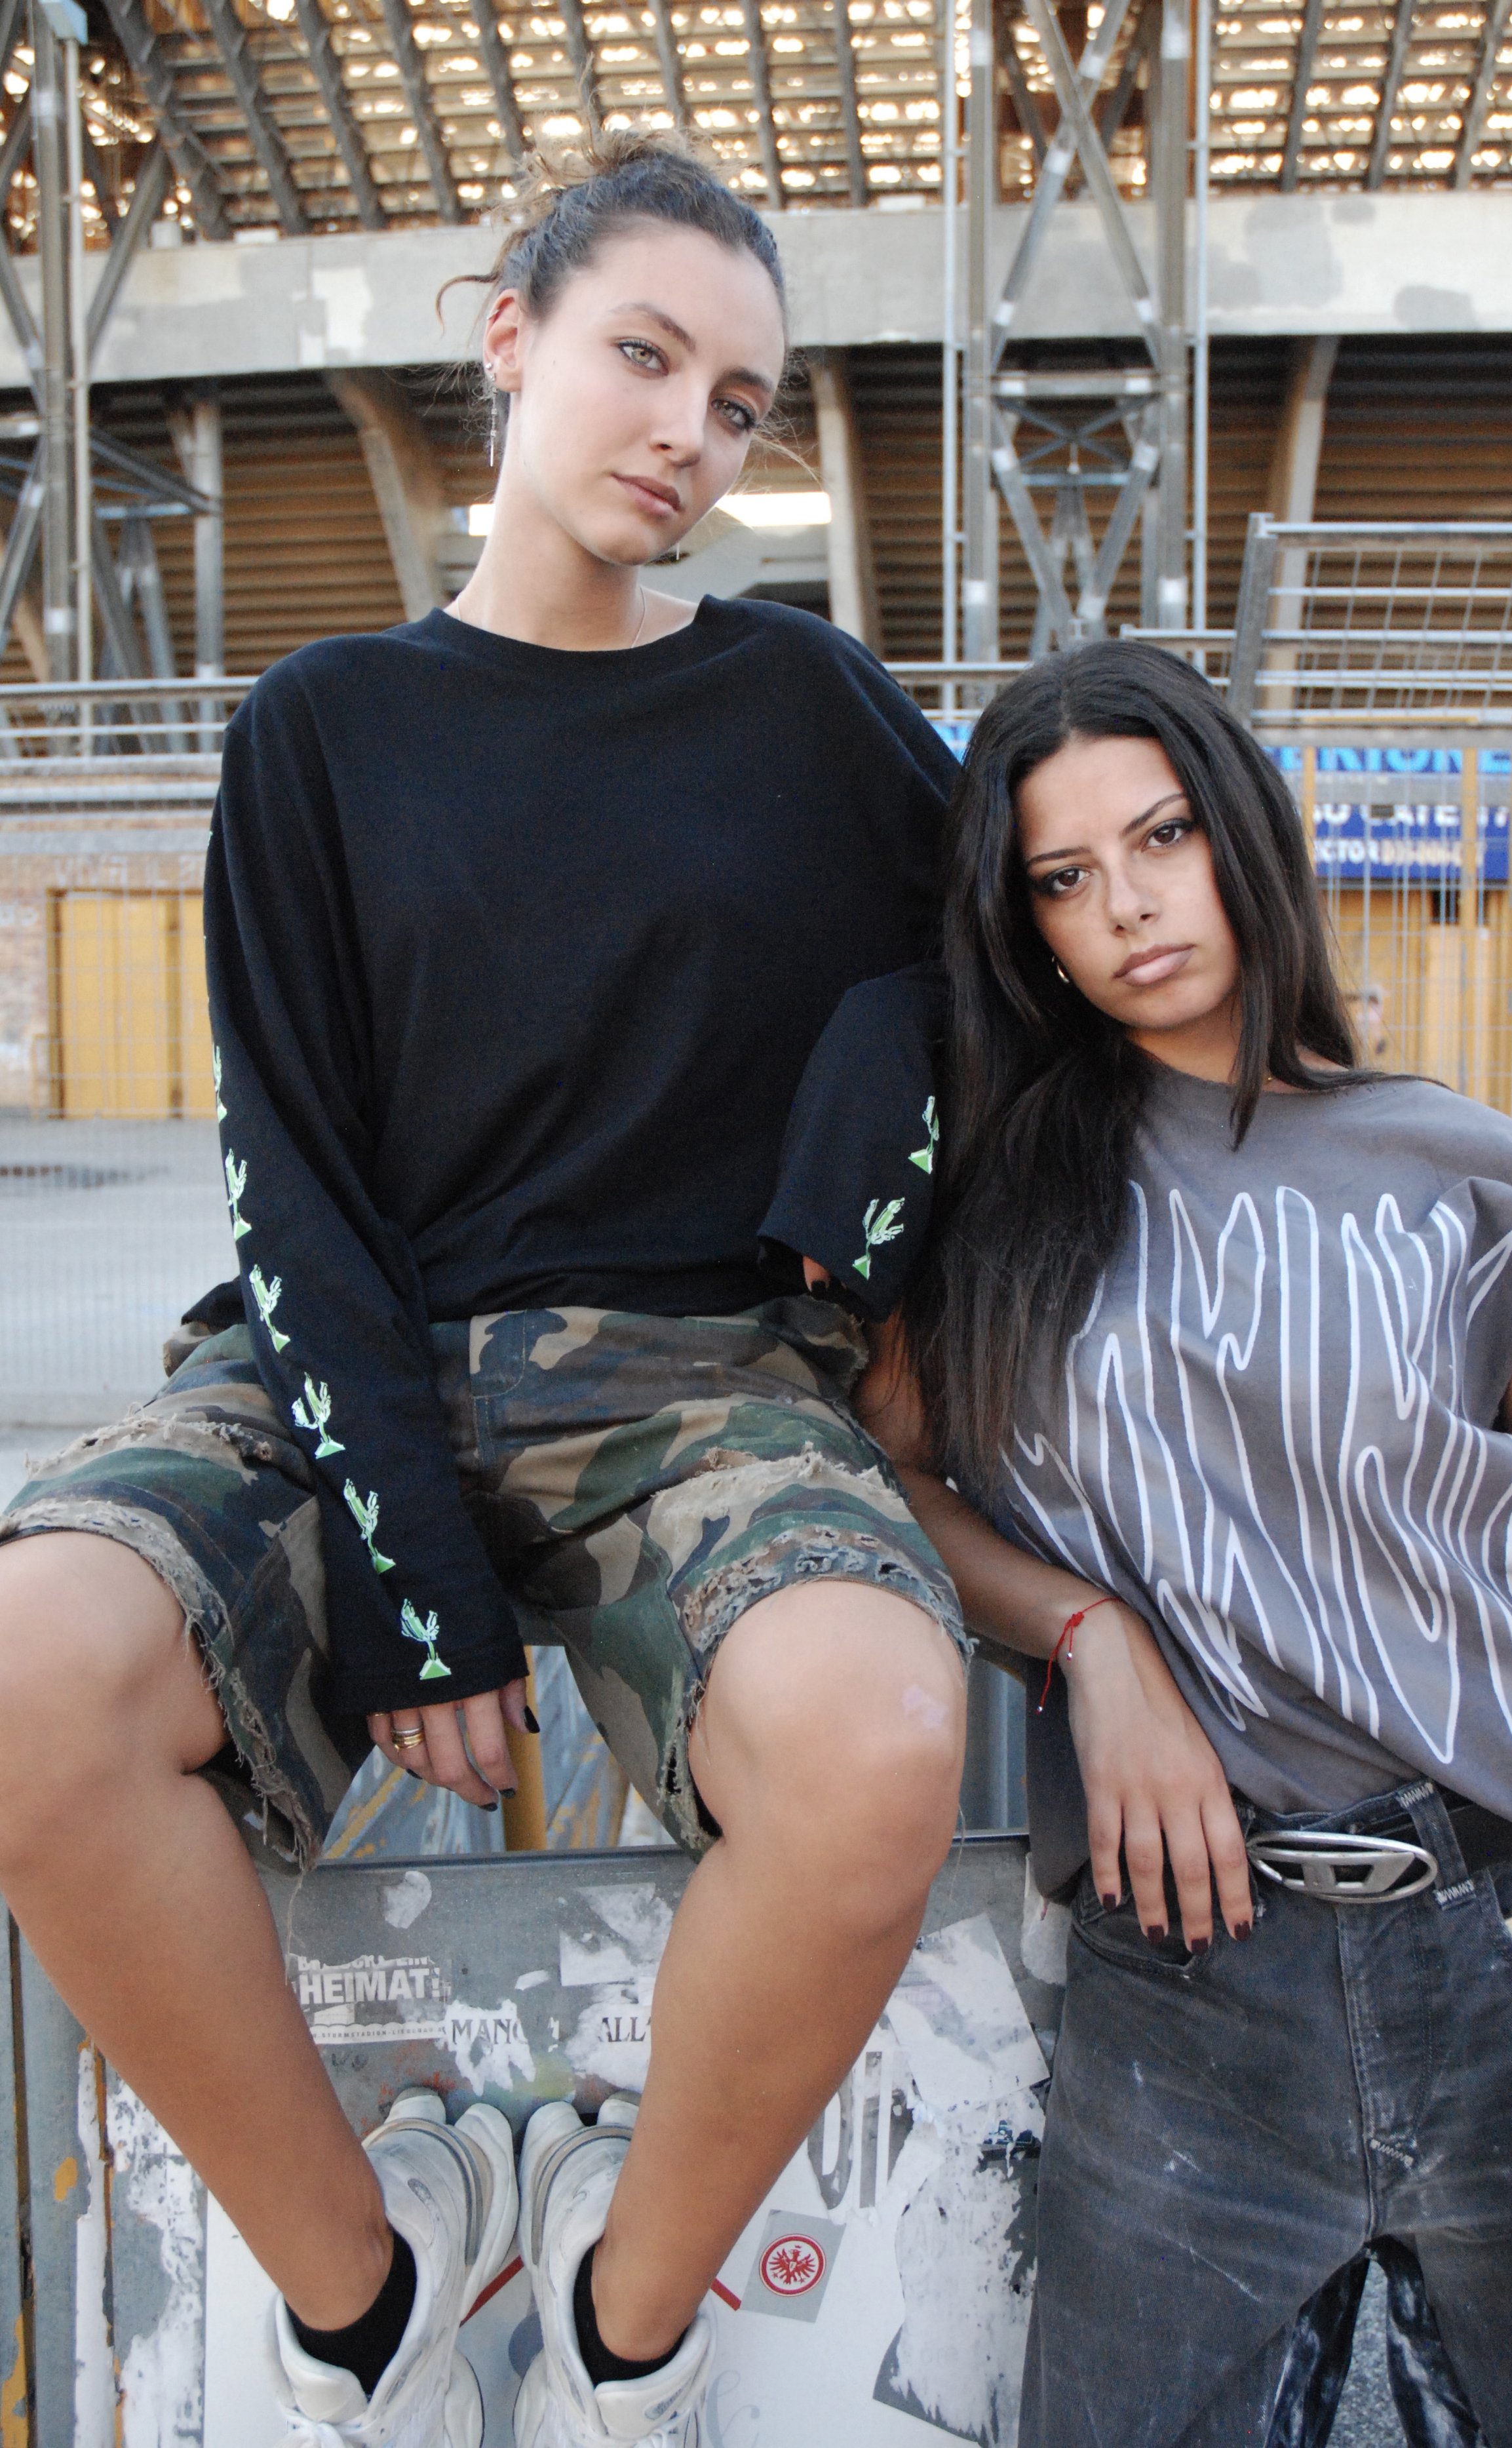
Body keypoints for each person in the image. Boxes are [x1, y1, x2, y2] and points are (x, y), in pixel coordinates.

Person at [0, 134, 969, 2448]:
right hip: (348, 1369)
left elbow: (997, 973)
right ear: (509, 334)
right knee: (30, 1680)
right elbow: (299, 1190)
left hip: (697, 1383)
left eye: (738, 402)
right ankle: (378, 2301)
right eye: (643, 355)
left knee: (881, 1745)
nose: (686, 434)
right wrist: (421, 1590)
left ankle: (625, 2324)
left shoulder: (812, 711)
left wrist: (887, 1211)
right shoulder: (322, 731)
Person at [771, 638, 1512, 2447]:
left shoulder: (1462, 1169)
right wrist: (1089, 1634)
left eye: (1160, 836)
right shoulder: (1003, 1201)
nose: (1127, 909)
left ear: (1242, 831)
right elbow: (882, 1476)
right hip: (1190, 1973)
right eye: (1064, 879)